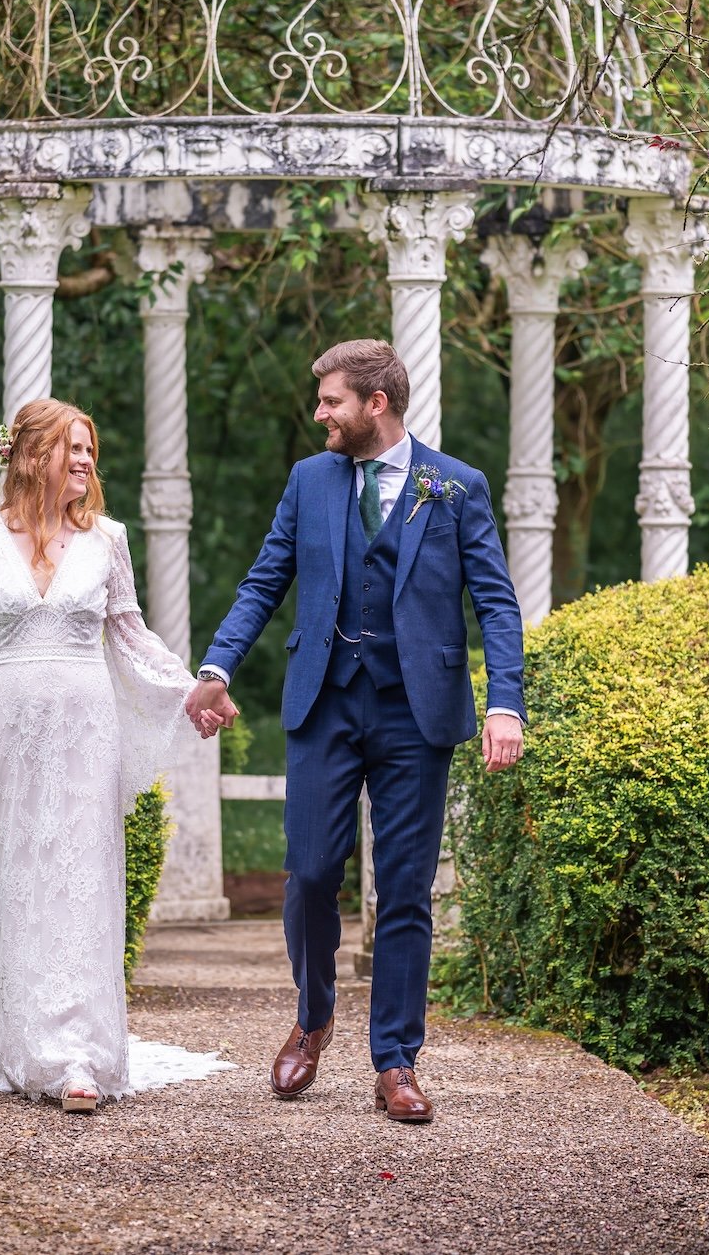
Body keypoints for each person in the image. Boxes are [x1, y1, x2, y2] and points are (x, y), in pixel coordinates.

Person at [184, 338, 526, 1125]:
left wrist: (504, 702)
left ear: (377, 403)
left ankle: (397, 1058)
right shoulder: (310, 480)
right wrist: (218, 667)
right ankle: (314, 1015)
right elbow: (266, 577)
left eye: (332, 400)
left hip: (418, 710)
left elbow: (497, 605)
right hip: (326, 701)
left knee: (404, 888)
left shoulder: (456, 486)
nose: (320, 414)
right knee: (308, 874)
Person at [0, 398, 233, 1113]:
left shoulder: (107, 540)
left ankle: (79, 1054)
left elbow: (132, 637)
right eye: (70, 448)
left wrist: (193, 689)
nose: (84, 461)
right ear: (26, 455)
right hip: (5, 734)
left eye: (89, 450)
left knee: (79, 879)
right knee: (16, 879)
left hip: (83, 730)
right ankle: (19, 1041)